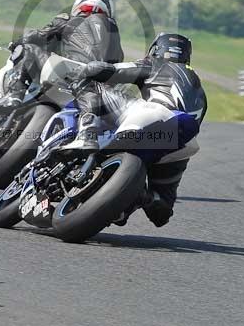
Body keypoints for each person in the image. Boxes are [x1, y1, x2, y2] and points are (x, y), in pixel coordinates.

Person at [74, 32, 207, 227]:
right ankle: (141, 198)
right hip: (181, 144)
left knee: (89, 83)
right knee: (162, 211)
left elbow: (108, 70)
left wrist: (86, 68)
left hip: (153, 115)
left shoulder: (154, 64)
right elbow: (160, 220)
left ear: (156, 49)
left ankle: (87, 132)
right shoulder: (198, 87)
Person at [0, 0, 125, 130]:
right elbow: (117, 66)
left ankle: (15, 94)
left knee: (28, 48)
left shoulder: (69, 20)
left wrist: (17, 42)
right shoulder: (116, 37)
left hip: (67, 70)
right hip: (95, 87)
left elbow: (37, 36)